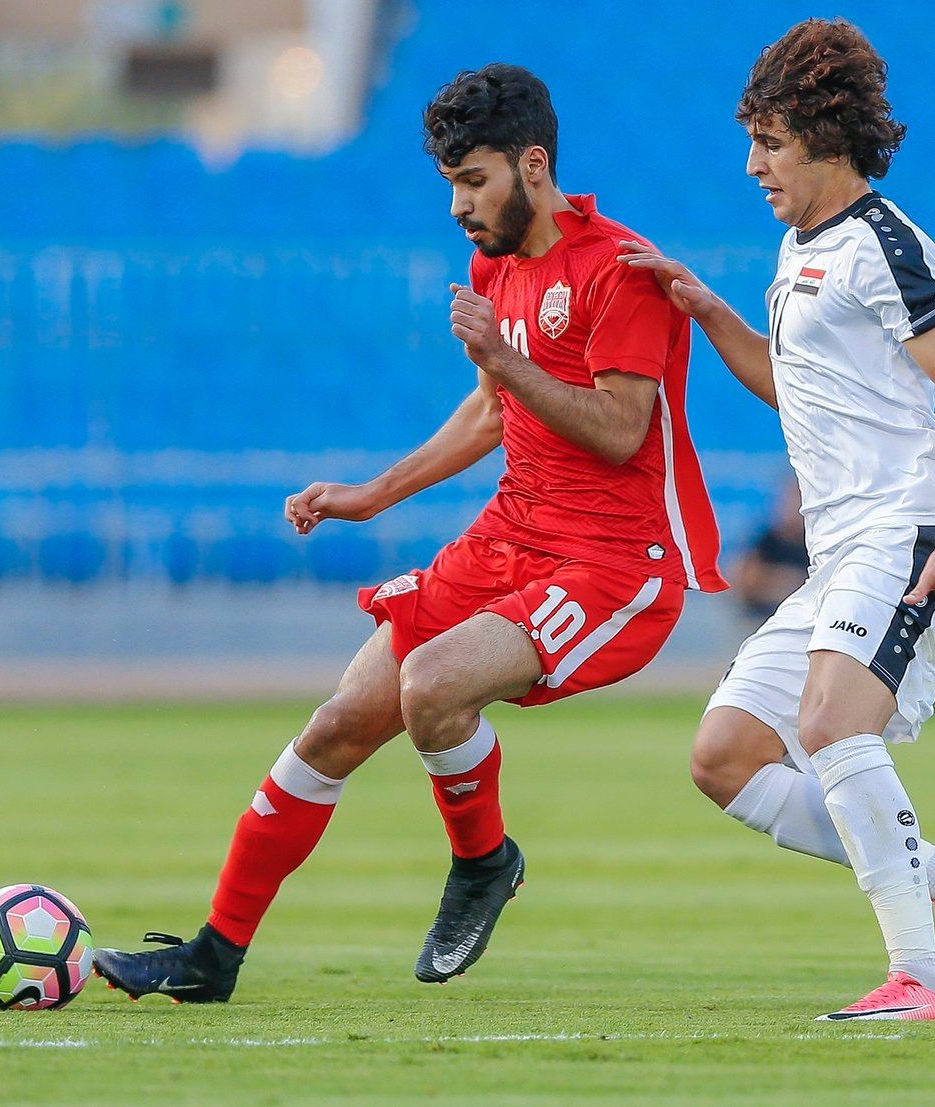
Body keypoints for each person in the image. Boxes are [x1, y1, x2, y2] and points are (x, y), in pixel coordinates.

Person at [93, 63, 726, 1003]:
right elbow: (490, 413)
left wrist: (504, 357)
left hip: (612, 564)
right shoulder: (495, 266)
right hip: (511, 534)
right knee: (338, 724)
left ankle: (484, 861)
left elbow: (619, 429)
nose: (461, 208)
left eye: (475, 182)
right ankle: (212, 956)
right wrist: (370, 494)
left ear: (534, 165)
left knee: (433, 687)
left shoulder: (618, 271)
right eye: (451, 188)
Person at [619, 18, 935, 1021]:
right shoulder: (798, 249)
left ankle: (920, 980)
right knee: (724, 758)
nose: (753, 165)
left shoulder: (886, 245)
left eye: (771, 144)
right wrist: (713, 317)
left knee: (832, 727)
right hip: (838, 551)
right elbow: (796, 389)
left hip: (904, 531)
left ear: (828, 139)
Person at [734, 480, 807, 620]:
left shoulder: (819, 543)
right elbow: (742, 580)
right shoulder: (766, 539)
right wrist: (785, 581)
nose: (795, 506)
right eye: (791, 499)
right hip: (760, 619)